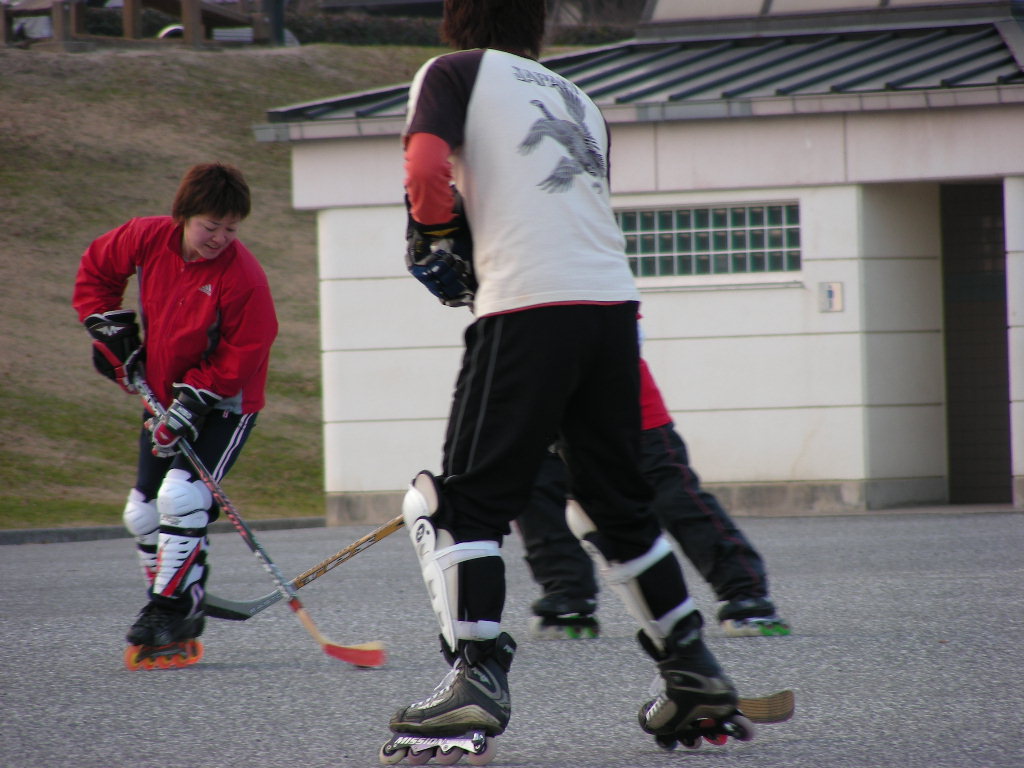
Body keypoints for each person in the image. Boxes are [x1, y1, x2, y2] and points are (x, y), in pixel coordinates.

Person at [385, 0, 751, 759]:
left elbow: (424, 168)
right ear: (536, 26)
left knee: (456, 504)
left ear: (457, 17)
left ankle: (474, 678)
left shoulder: (452, 72)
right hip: (611, 311)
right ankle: (692, 672)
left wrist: (440, 234)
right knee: (612, 509)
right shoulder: (577, 96)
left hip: (527, 306)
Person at [72, 162, 278, 670]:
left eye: (231, 229)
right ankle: (180, 597)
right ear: (183, 215)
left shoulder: (243, 277)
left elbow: (246, 350)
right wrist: (111, 331)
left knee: (181, 497)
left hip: (226, 403)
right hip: (164, 396)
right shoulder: (145, 238)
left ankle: (169, 609)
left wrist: (194, 401)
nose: (220, 239)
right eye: (211, 226)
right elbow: (97, 272)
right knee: (142, 513)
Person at [519, 358, 791, 639]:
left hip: (614, 388)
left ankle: (745, 594)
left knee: (672, 495)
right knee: (536, 494)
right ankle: (567, 597)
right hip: (532, 397)